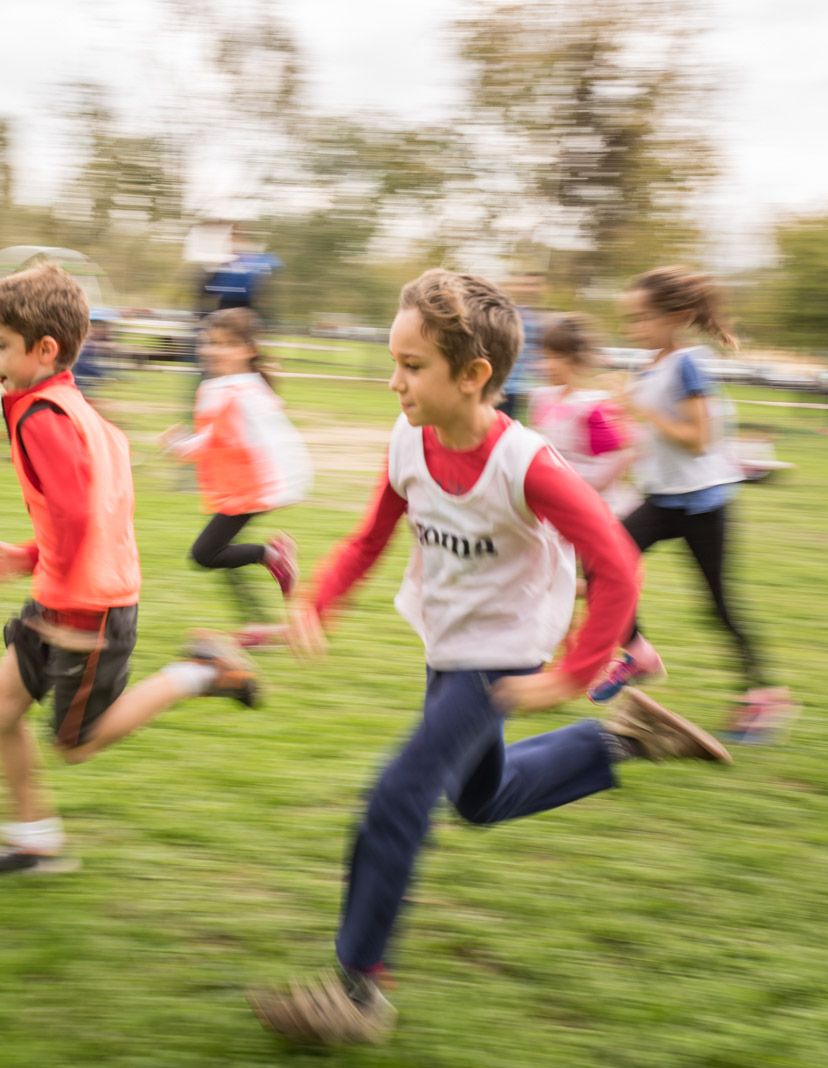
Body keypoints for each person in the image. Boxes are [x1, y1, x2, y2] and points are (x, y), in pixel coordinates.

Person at [248, 269, 733, 1046]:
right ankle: (625, 739)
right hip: (449, 651)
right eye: (395, 360)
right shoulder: (409, 439)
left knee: (397, 796)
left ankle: (358, 996)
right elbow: (371, 536)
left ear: (474, 376)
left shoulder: (527, 465)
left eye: (412, 366)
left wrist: (573, 673)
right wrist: (319, 600)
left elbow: (617, 562)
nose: (393, 380)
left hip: (502, 661)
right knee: (479, 799)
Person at [0, 263, 259, 878]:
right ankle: (32, 840)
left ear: (44, 349)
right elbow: (88, 507)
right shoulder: (74, 410)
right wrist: (29, 556)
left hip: (86, 609)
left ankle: (200, 671)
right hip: (75, 593)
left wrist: (69, 606)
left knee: (75, 743)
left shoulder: (44, 416)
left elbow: (78, 511)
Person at [591, 266, 794, 742]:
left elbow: (699, 440)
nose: (633, 328)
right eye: (630, 319)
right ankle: (637, 653)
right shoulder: (648, 366)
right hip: (661, 499)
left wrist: (638, 409)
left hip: (702, 505)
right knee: (603, 563)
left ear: (676, 316)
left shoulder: (689, 364)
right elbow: (650, 437)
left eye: (641, 318)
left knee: (718, 606)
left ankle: (765, 696)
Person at [162, 308, 311, 639]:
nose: (215, 350)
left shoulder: (234, 392)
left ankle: (273, 556)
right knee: (223, 552)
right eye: (212, 343)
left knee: (205, 554)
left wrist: (179, 446)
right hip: (247, 487)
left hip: (252, 488)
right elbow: (221, 439)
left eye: (227, 344)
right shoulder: (238, 387)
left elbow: (220, 440)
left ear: (248, 349)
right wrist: (182, 445)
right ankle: (256, 622)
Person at [529, 312, 639, 516]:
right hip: (557, 505)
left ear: (575, 359)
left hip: (595, 509)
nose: (546, 365)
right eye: (544, 356)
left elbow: (621, 456)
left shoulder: (592, 407)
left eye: (555, 357)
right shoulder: (542, 398)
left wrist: (573, 487)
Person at [495, 270, 545, 421]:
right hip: (498, 386)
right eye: (522, 284)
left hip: (518, 390)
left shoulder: (535, 320)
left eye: (532, 285)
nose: (526, 289)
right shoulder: (500, 316)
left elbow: (535, 357)